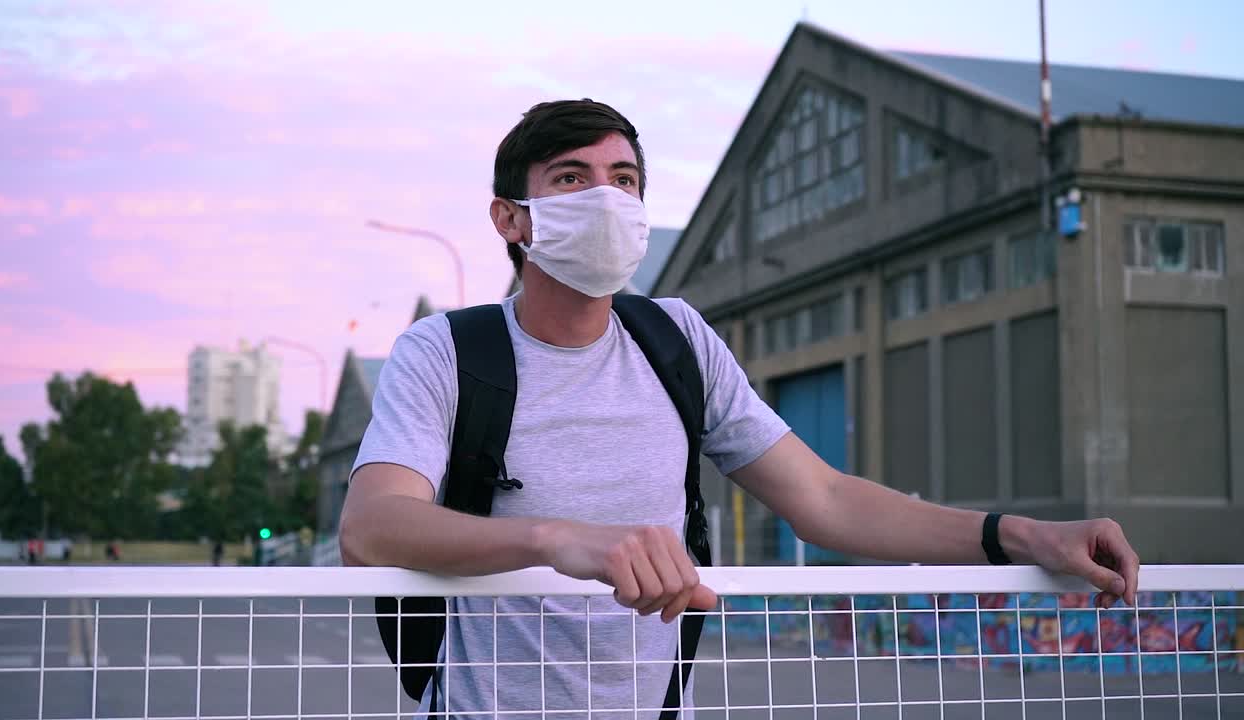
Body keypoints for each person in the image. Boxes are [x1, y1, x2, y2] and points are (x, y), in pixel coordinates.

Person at [340, 99, 1141, 717]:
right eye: (572, 179)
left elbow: (825, 499)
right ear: (512, 218)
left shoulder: (677, 339)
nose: (607, 199)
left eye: (625, 180)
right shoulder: (444, 352)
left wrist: (1022, 536)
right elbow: (370, 528)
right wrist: (556, 540)